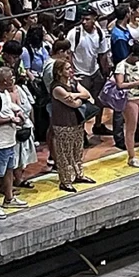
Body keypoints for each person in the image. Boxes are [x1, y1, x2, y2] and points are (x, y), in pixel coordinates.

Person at [0, 67, 29, 219]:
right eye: (11, 78)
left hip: (10, 139)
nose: (13, 80)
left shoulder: (4, 93)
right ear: (4, 81)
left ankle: (9, 198)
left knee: (10, 169)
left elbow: (8, 106)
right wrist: (10, 119)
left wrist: (18, 111)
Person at [50, 59, 95, 192]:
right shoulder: (57, 88)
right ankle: (66, 180)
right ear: (59, 72)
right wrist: (81, 99)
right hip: (63, 124)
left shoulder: (74, 82)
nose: (71, 70)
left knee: (77, 150)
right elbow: (74, 104)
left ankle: (78, 174)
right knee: (65, 153)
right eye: (67, 68)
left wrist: (75, 95)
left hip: (77, 122)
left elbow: (87, 94)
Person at [67, 8, 112, 137]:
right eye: (83, 19)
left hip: (95, 71)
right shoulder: (74, 33)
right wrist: (72, 72)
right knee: (80, 104)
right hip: (80, 73)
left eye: (87, 19)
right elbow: (69, 54)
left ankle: (98, 125)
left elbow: (102, 54)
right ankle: (82, 131)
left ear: (94, 19)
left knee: (99, 100)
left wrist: (105, 71)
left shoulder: (99, 32)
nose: (84, 22)